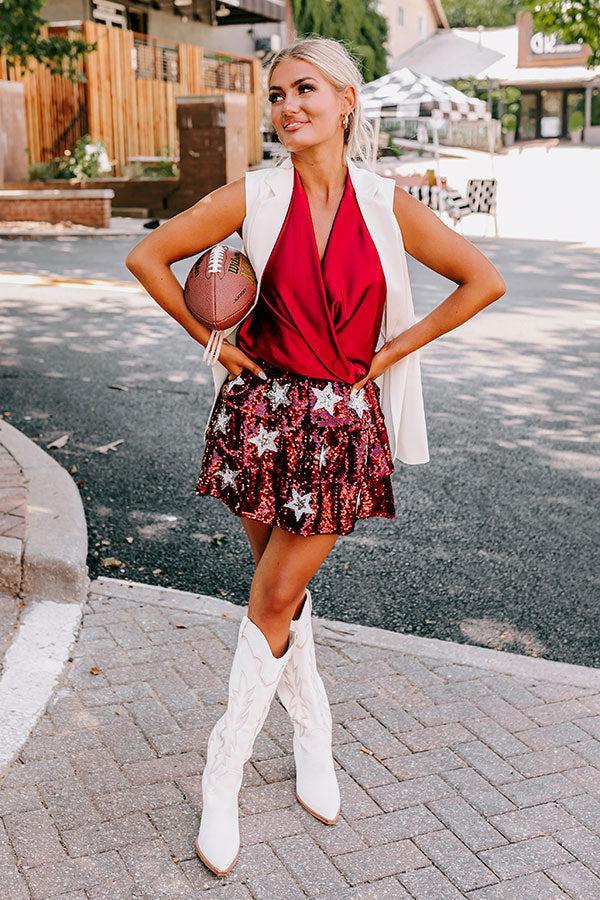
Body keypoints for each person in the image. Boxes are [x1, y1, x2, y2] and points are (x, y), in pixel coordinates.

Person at [125, 35, 506, 878]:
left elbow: (482, 280)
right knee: (278, 599)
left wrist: (394, 349)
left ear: (345, 101)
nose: (288, 106)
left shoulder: (384, 202)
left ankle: (221, 777)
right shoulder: (256, 194)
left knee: (277, 593)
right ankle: (313, 743)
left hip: (341, 427)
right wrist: (212, 344)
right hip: (260, 417)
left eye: (304, 90)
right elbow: (148, 256)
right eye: (276, 94)